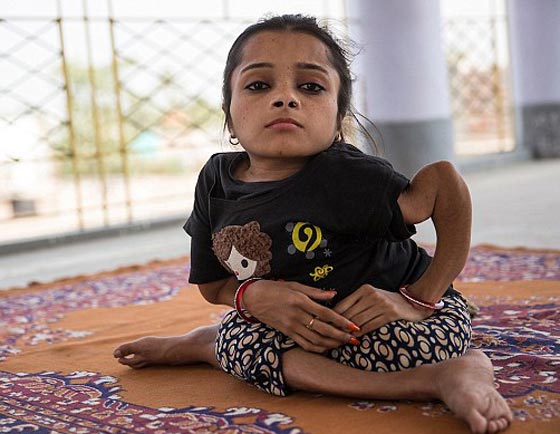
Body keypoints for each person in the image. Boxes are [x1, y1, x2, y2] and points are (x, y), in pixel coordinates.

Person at [113, 14, 513, 434]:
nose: (285, 98)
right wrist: (252, 295)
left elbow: (444, 182)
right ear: (229, 116)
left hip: (399, 315)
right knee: (245, 339)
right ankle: (207, 343)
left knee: (407, 349)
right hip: (295, 325)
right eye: (259, 85)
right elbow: (214, 286)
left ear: (339, 118)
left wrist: (421, 297)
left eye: (310, 87)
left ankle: (447, 374)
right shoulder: (215, 180)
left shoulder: (349, 176)